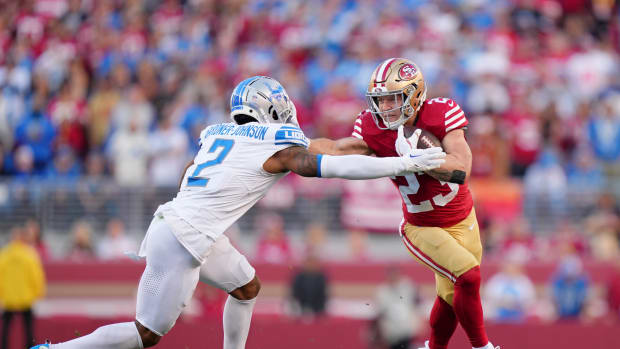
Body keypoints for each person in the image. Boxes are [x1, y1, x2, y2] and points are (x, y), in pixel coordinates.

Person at [31, 76, 445, 349]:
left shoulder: (221, 135)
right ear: (270, 108)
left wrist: (367, 147)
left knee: (246, 286)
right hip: (185, 236)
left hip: (187, 227)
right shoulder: (272, 143)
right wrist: (404, 164)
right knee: (146, 335)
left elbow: (320, 150)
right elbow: (330, 165)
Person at [310, 58, 499, 349]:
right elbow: (336, 149)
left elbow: (462, 167)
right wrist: (292, 142)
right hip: (421, 226)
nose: (384, 108)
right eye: (380, 100)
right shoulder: (373, 128)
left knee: (450, 297)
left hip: (464, 216)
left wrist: (426, 162)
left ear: (415, 94)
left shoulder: (440, 112)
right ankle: (483, 347)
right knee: (468, 276)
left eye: (392, 99)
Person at [0, 226, 46, 349]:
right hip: (26, 298)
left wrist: (2, 295)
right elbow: (36, 275)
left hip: (9, 298)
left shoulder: (4, 255)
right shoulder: (29, 254)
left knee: (6, 328)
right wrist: (38, 292)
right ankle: (29, 347)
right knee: (28, 329)